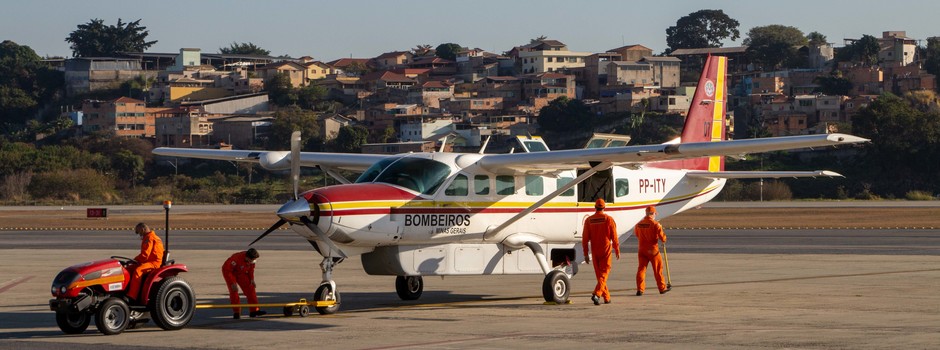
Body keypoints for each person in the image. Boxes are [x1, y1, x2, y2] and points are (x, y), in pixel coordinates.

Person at [582, 199, 620, 305]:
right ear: (604, 207)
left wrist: (585, 253)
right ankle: (597, 294)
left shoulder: (589, 220)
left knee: (600, 276)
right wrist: (617, 249)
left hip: (595, 251)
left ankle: (607, 297)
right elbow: (614, 236)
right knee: (604, 273)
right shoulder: (608, 219)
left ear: (595, 207)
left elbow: (585, 239)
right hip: (606, 249)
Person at [634, 206, 669, 296]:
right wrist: (664, 239)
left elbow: (637, 234)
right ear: (653, 214)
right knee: (658, 270)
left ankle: (640, 289)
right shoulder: (655, 224)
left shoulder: (639, 224)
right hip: (653, 250)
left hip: (642, 249)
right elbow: (662, 237)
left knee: (641, 270)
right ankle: (662, 288)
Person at [222, 248, 265, 319]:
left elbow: (251, 269)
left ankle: (254, 310)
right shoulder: (236, 259)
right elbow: (227, 270)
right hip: (230, 273)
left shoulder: (252, 260)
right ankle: (236, 312)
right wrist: (232, 282)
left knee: (250, 288)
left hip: (241, 273)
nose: (254, 261)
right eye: (252, 260)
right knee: (234, 291)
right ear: (247, 258)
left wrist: (251, 279)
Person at [127, 223, 164, 302]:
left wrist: (134, 260)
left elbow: (145, 255)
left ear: (143, 230)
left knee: (138, 271)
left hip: (154, 263)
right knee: (128, 269)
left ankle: (132, 296)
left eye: (139, 232)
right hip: (148, 261)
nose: (139, 234)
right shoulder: (152, 237)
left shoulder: (149, 238)